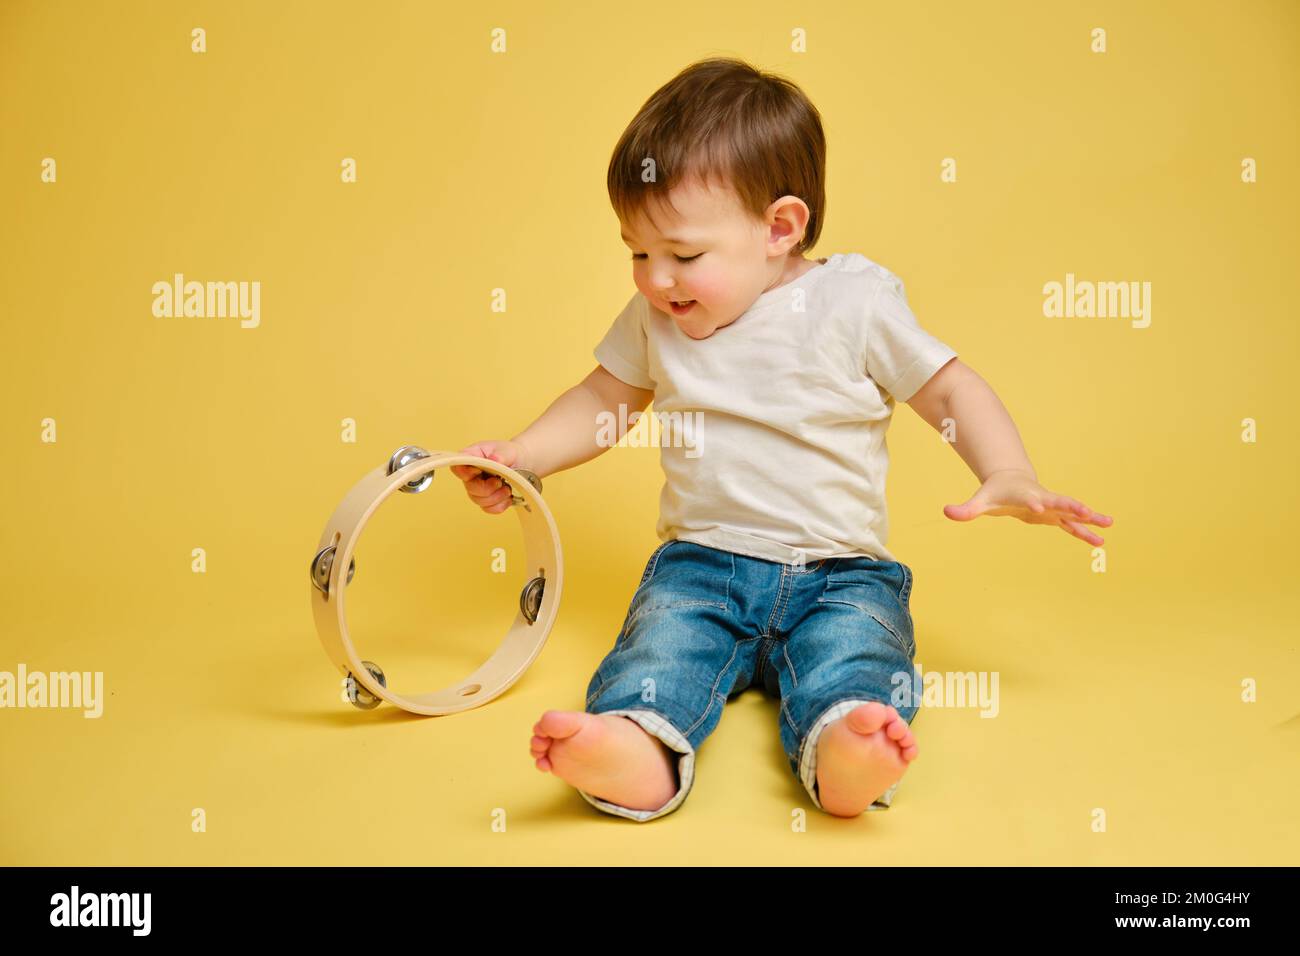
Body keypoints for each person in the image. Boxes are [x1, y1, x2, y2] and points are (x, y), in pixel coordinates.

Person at [452, 56, 1112, 821]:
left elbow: (949, 386)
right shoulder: (656, 320)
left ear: (779, 228)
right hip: (702, 567)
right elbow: (604, 398)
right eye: (637, 252)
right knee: (660, 649)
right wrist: (526, 455)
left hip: (841, 576)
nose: (656, 280)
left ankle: (845, 749)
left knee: (858, 661)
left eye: (684, 255)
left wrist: (1007, 470)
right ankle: (637, 743)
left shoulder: (853, 302)